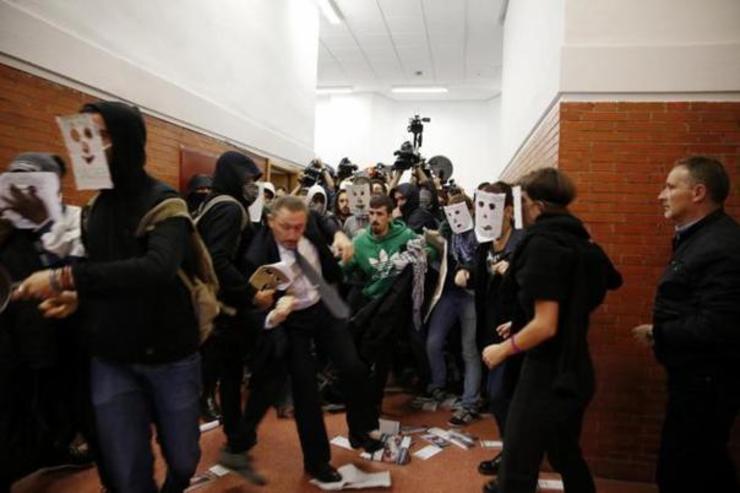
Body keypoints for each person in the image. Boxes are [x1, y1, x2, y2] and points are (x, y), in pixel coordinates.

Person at [14, 102, 203, 493]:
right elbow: (105, 276)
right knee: (128, 468)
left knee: (183, 460)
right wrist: (78, 299)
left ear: (126, 140)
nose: (86, 146)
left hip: (170, 356)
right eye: (81, 135)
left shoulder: (164, 201)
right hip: (112, 356)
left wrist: (63, 277)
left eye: (98, 135)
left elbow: (156, 269)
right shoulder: (95, 208)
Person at [481, 168, 621, 493]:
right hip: (576, 368)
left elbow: (546, 325)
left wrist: (502, 349)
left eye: (523, 202)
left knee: (516, 468)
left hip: (547, 373)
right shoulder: (577, 238)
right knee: (564, 452)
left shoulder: (542, 243)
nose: (518, 210)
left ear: (538, 206)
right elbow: (610, 279)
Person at [243, 196, 382, 484]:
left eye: (299, 227)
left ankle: (359, 431)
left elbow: (325, 221)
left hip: (323, 305)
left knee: (353, 367)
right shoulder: (260, 252)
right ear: (270, 222)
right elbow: (255, 303)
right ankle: (317, 462)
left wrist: (340, 235)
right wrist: (267, 303)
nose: (294, 234)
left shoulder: (309, 223)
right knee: (306, 392)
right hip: (292, 321)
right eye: (286, 228)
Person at [632, 156, 740, 493]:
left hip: (708, 380)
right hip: (693, 376)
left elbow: (720, 324)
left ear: (698, 192)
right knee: (697, 463)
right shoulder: (698, 238)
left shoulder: (721, 245)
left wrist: (659, 332)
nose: (661, 195)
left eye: (669, 187)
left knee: (688, 468)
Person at [0, 153, 93, 492]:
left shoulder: (72, 226)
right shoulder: (8, 230)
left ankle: (54, 449)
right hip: (17, 347)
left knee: (56, 409)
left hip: (60, 339)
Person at [195, 150, 279, 484]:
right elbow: (217, 260)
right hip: (226, 310)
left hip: (219, 310)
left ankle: (237, 440)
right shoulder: (230, 209)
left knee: (226, 376)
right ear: (233, 177)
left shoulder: (212, 203)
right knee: (252, 371)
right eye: (248, 180)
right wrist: (251, 293)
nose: (253, 188)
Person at [344, 193, 437, 410]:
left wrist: (417, 254)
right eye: (371, 213)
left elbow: (430, 250)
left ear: (389, 215)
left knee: (384, 354)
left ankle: (376, 403)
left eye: (379, 214)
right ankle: (361, 401)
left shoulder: (404, 235)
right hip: (370, 302)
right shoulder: (359, 241)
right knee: (362, 353)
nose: (374, 218)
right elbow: (344, 268)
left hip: (395, 305)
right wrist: (341, 259)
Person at [471, 182, 525, 477]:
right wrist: (465, 269)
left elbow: (536, 292)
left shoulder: (523, 244)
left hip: (517, 334)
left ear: (508, 211)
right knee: (499, 397)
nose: (485, 214)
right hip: (490, 331)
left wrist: (513, 274)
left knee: (502, 395)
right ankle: (513, 454)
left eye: (492, 208)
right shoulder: (483, 245)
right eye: (480, 207)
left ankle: (513, 461)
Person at [424, 194, 481, 426]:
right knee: (433, 342)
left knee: (469, 349)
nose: (456, 215)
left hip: (470, 296)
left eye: (460, 210)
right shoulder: (449, 232)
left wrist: (468, 270)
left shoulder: (481, 233)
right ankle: (438, 384)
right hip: (449, 294)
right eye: (451, 211)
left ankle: (469, 402)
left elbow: (478, 260)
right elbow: (439, 245)